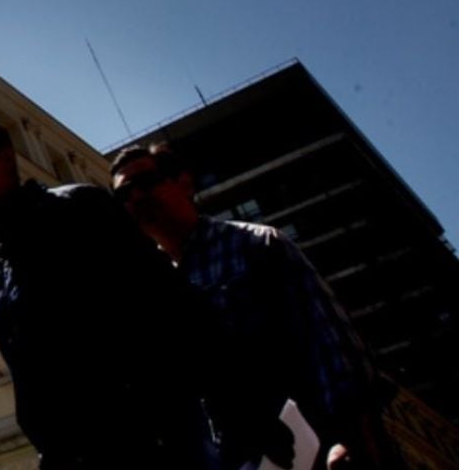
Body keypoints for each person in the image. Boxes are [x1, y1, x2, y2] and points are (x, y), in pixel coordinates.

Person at [0, 112, 263, 469]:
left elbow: (178, 310)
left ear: (6, 155)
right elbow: (35, 393)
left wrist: (242, 420)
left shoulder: (77, 210)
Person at [112, 143, 397, 470]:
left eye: (145, 183)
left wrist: (349, 437)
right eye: (123, 195)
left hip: (309, 452)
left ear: (184, 182)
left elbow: (330, 345)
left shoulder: (256, 244)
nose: (135, 198)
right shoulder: (151, 293)